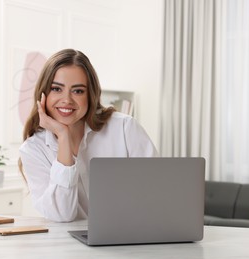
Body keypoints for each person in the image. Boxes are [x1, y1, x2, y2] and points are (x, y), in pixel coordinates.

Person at [19, 49, 158, 222]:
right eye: (56, 89)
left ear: (90, 95)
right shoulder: (33, 149)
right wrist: (63, 137)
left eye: (77, 91)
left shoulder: (124, 128)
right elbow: (62, 214)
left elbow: (156, 191)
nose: (67, 100)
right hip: (69, 246)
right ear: (43, 94)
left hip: (130, 235)